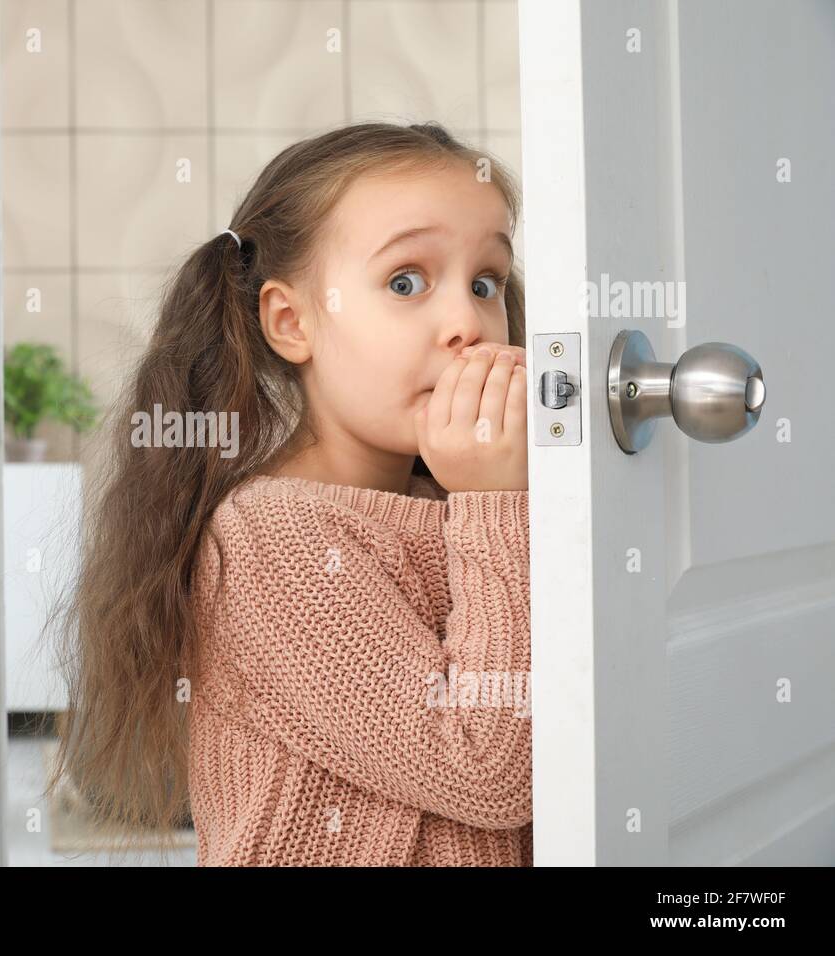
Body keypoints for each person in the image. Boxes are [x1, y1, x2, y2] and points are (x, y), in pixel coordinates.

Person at [45, 122, 532, 866]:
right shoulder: (273, 540)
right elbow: (487, 768)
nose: (467, 323)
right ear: (291, 321)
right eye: (406, 281)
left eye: (485, 282)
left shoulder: (474, 510)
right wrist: (498, 504)